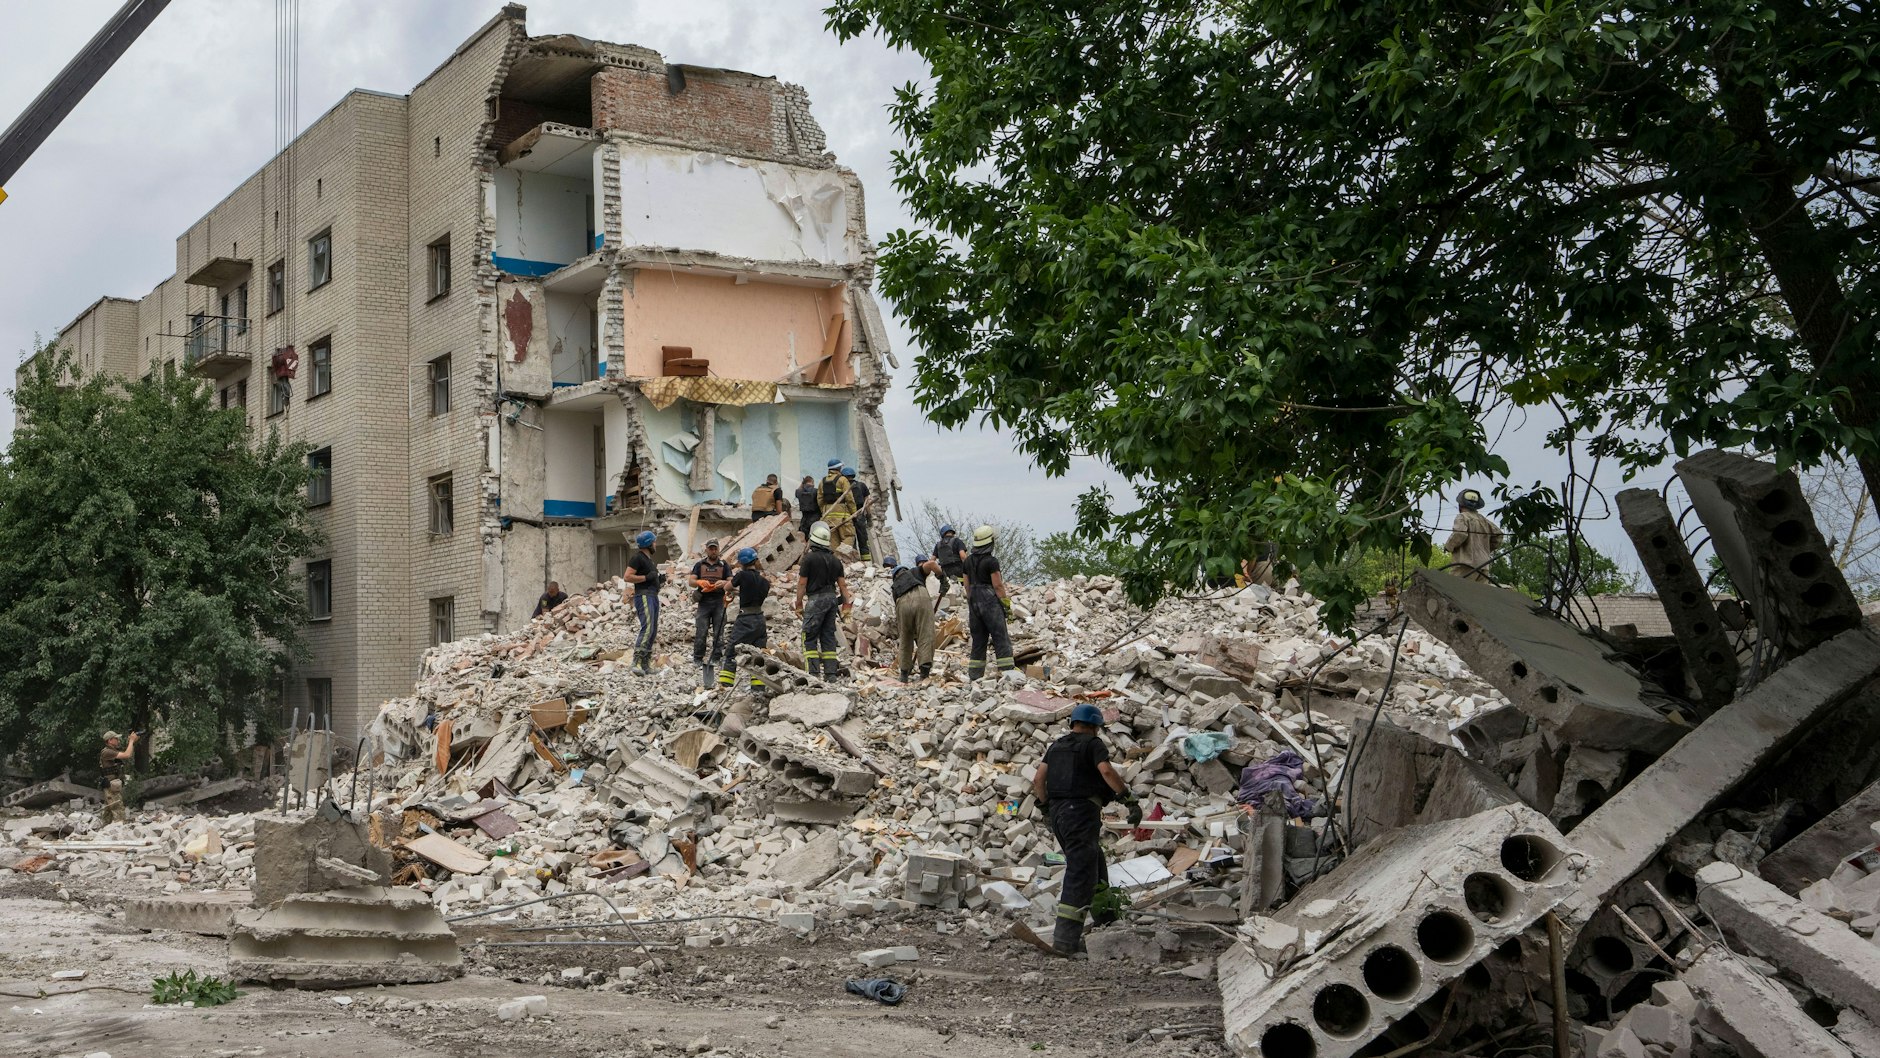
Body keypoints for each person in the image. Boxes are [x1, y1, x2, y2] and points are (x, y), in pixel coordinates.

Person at [1032, 704, 1138, 953]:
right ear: (1094, 726)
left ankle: (1107, 921)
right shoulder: (1093, 744)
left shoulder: (1056, 747)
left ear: (1073, 723)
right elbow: (1106, 771)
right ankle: (1065, 941)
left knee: (1094, 862)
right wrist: (1126, 797)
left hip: (1059, 814)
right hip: (1080, 812)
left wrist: (1046, 808)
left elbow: (1038, 780)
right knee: (1080, 872)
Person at [794, 521, 853, 679]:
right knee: (827, 636)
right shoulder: (836, 561)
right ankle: (830, 675)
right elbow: (843, 586)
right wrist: (846, 606)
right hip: (832, 600)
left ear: (813, 540)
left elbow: (802, 583)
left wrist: (798, 603)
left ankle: (812, 674)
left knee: (809, 636)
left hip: (816, 600)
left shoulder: (809, 559)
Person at [963, 524, 1020, 680]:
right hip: (989, 601)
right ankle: (1008, 673)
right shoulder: (991, 561)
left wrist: (973, 602)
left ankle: (975, 677)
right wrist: (1006, 605)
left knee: (979, 640)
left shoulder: (967, 562)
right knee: (1000, 636)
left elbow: (966, 586)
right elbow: (998, 585)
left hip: (974, 601)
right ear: (990, 542)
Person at [718, 547, 771, 691]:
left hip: (745, 619)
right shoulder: (765, 582)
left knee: (731, 651)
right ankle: (758, 689)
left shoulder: (742, 575)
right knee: (758, 655)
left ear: (742, 562)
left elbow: (728, 587)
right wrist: (739, 592)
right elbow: (751, 593)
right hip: (760, 619)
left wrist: (725, 585)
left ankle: (725, 686)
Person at [888, 554, 942, 683]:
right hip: (921, 596)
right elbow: (931, 564)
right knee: (925, 633)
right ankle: (924, 673)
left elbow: (899, 608)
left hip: (902, 603)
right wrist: (942, 577)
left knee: (906, 637)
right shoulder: (915, 571)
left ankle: (904, 673)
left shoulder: (895, 586)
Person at [690, 540, 731, 686]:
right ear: (707, 550)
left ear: (718, 550)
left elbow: (731, 581)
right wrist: (700, 583)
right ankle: (698, 658)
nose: (713, 551)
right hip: (704, 602)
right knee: (701, 630)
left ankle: (716, 657)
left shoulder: (724, 565)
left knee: (718, 631)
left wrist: (723, 583)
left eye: (715, 549)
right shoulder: (700, 565)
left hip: (719, 601)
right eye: (711, 549)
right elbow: (691, 581)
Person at [1443, 488, 1503, 583]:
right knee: (1478, 595)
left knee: (1454, 590)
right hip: (1484, 566)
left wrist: (1448, 546)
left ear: (1460, 504)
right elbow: (1498, 535)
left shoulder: (1462, 517)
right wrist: (1486, 549)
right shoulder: (1484, 521)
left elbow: (1460, 534)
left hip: (1466, 564)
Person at [622, 530, 661, 674]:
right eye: (654, 542)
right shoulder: (637, 558)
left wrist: (657, 580)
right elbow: (627, 577)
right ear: (649, 543)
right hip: (644, 596)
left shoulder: (649, 560)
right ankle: (636, 662)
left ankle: (645, 664)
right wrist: (646, 578)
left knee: (653, 630)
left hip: (652, 595)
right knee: (647, 628)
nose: (655, 544)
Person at [99, 730, 139, 825]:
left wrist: (132, 741)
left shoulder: (111, 751)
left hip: (113, 784)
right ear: (110, 741)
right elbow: (127, 754)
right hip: (110, 784)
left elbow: (127, 751)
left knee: (109, 808)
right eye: (116, 739)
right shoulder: (107, 752)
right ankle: (121, 827)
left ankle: (104, 828)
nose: (118, 740)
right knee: (117, 807)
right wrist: (131, 741)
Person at [933, 524, 968, 613]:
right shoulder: (957, 541)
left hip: (945, 573)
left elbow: (932, 561)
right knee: (964, 590)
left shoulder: (938, 545)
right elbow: (963, 556)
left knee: (949, 590)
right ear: (952, 532)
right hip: (958, 570)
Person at [843, 466, 874, 562]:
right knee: (863, 540)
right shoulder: (862, 485)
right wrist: (869, 517)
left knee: (851, 540)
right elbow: (867, 503)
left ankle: (854, 562)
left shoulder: (843, 487)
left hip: (848, 516)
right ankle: (866, 562)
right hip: (860, 515)